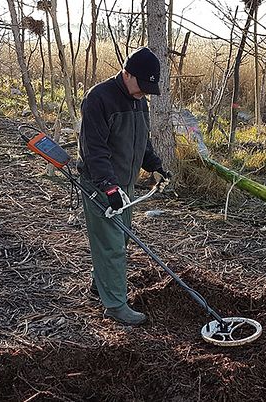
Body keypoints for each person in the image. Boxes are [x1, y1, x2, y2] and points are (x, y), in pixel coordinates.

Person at [78, 46, 172, 325]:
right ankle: (116, 304)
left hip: (125, 184)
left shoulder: (139, 100)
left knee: (121, 238)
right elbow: (93, 149)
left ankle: (101, 285)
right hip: (101, 184)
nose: (144, 93)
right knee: (112, 245)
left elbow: (141, 139)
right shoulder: (99, 98)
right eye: (140, 85)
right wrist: (108, 187)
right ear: (126, 73)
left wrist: (154, 165)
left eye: (148, 88)